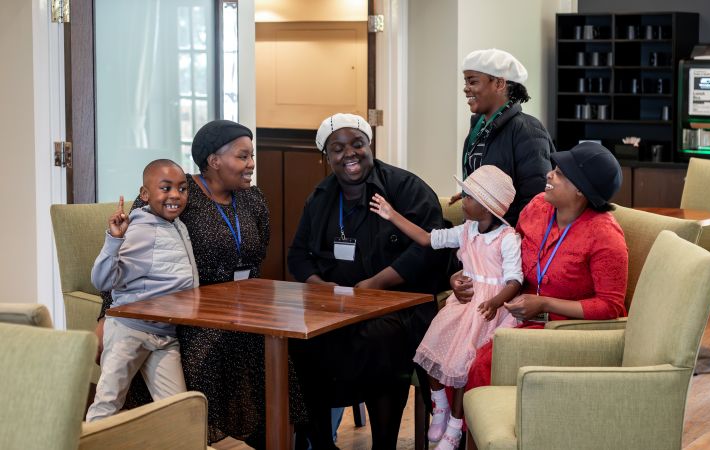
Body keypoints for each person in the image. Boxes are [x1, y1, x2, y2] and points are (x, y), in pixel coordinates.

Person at [97, 120, 297, 447]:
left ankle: (274, 437)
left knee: (277, 346)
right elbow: (128, 255)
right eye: (243, 157)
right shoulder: (176, 190)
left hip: (241, 308)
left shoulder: (253, 198)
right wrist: (109, 313)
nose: (252, 164)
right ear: (214, 161)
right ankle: (196, 435)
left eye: (252, 156)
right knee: (217, 348)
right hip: (188, 314)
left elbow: (257, 258)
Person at [287, 113, 446, 449]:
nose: (350, 154)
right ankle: (320, 443)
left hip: (399, 306)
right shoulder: (319, 198)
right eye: (338, 148)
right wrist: (320, 286)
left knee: (380, 338)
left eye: (357, 144)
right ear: (326, 155)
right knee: (301, 342)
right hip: (335, 306)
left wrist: (376, 284)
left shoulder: (406, 188)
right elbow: (298, 256)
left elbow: (428, 249)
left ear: (370, 145)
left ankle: (383, 444)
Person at [369, 164, 522, 449]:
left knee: (463, 364)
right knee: (431, 347)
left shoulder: (507, 240)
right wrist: (393, 215)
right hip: (463, 304)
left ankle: (455, 424)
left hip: (488, 310)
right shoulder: (467, 231)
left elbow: (514, 281)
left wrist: (495, 301)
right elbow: (428, 238)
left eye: (468, 197)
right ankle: (439, 407)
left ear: (486, 207)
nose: (461, 200)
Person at [460, 142, 629, 391]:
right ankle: (450, 427)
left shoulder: (605, 237)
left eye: (560, 173)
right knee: (457, 348)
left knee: (481, 365)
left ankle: (476, 429)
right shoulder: (539, 206)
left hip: (564, 328)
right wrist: (461, 274)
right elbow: (503, 255)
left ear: (580, 190)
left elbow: (611, 306)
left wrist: (545, 303)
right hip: (516, 311)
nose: (550, 174)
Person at [86, 159, 197, 422]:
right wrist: (114, 239)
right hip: (129, 330)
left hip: (165, 334)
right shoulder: (141, 230)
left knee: (177, 411)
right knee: (108, 402)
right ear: (145, 194)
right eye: (166, 188)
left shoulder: (178, 226)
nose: (175, 195)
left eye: (182, 189)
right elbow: (102, 280)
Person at [452, 48, 555, 226]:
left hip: (507, 244)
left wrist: (510, 244)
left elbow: (536, 201)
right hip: (478, 238)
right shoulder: (478, 128)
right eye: (465, 81)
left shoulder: (528, 131)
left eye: (473, 81)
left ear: (499, 84)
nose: (466, 88)